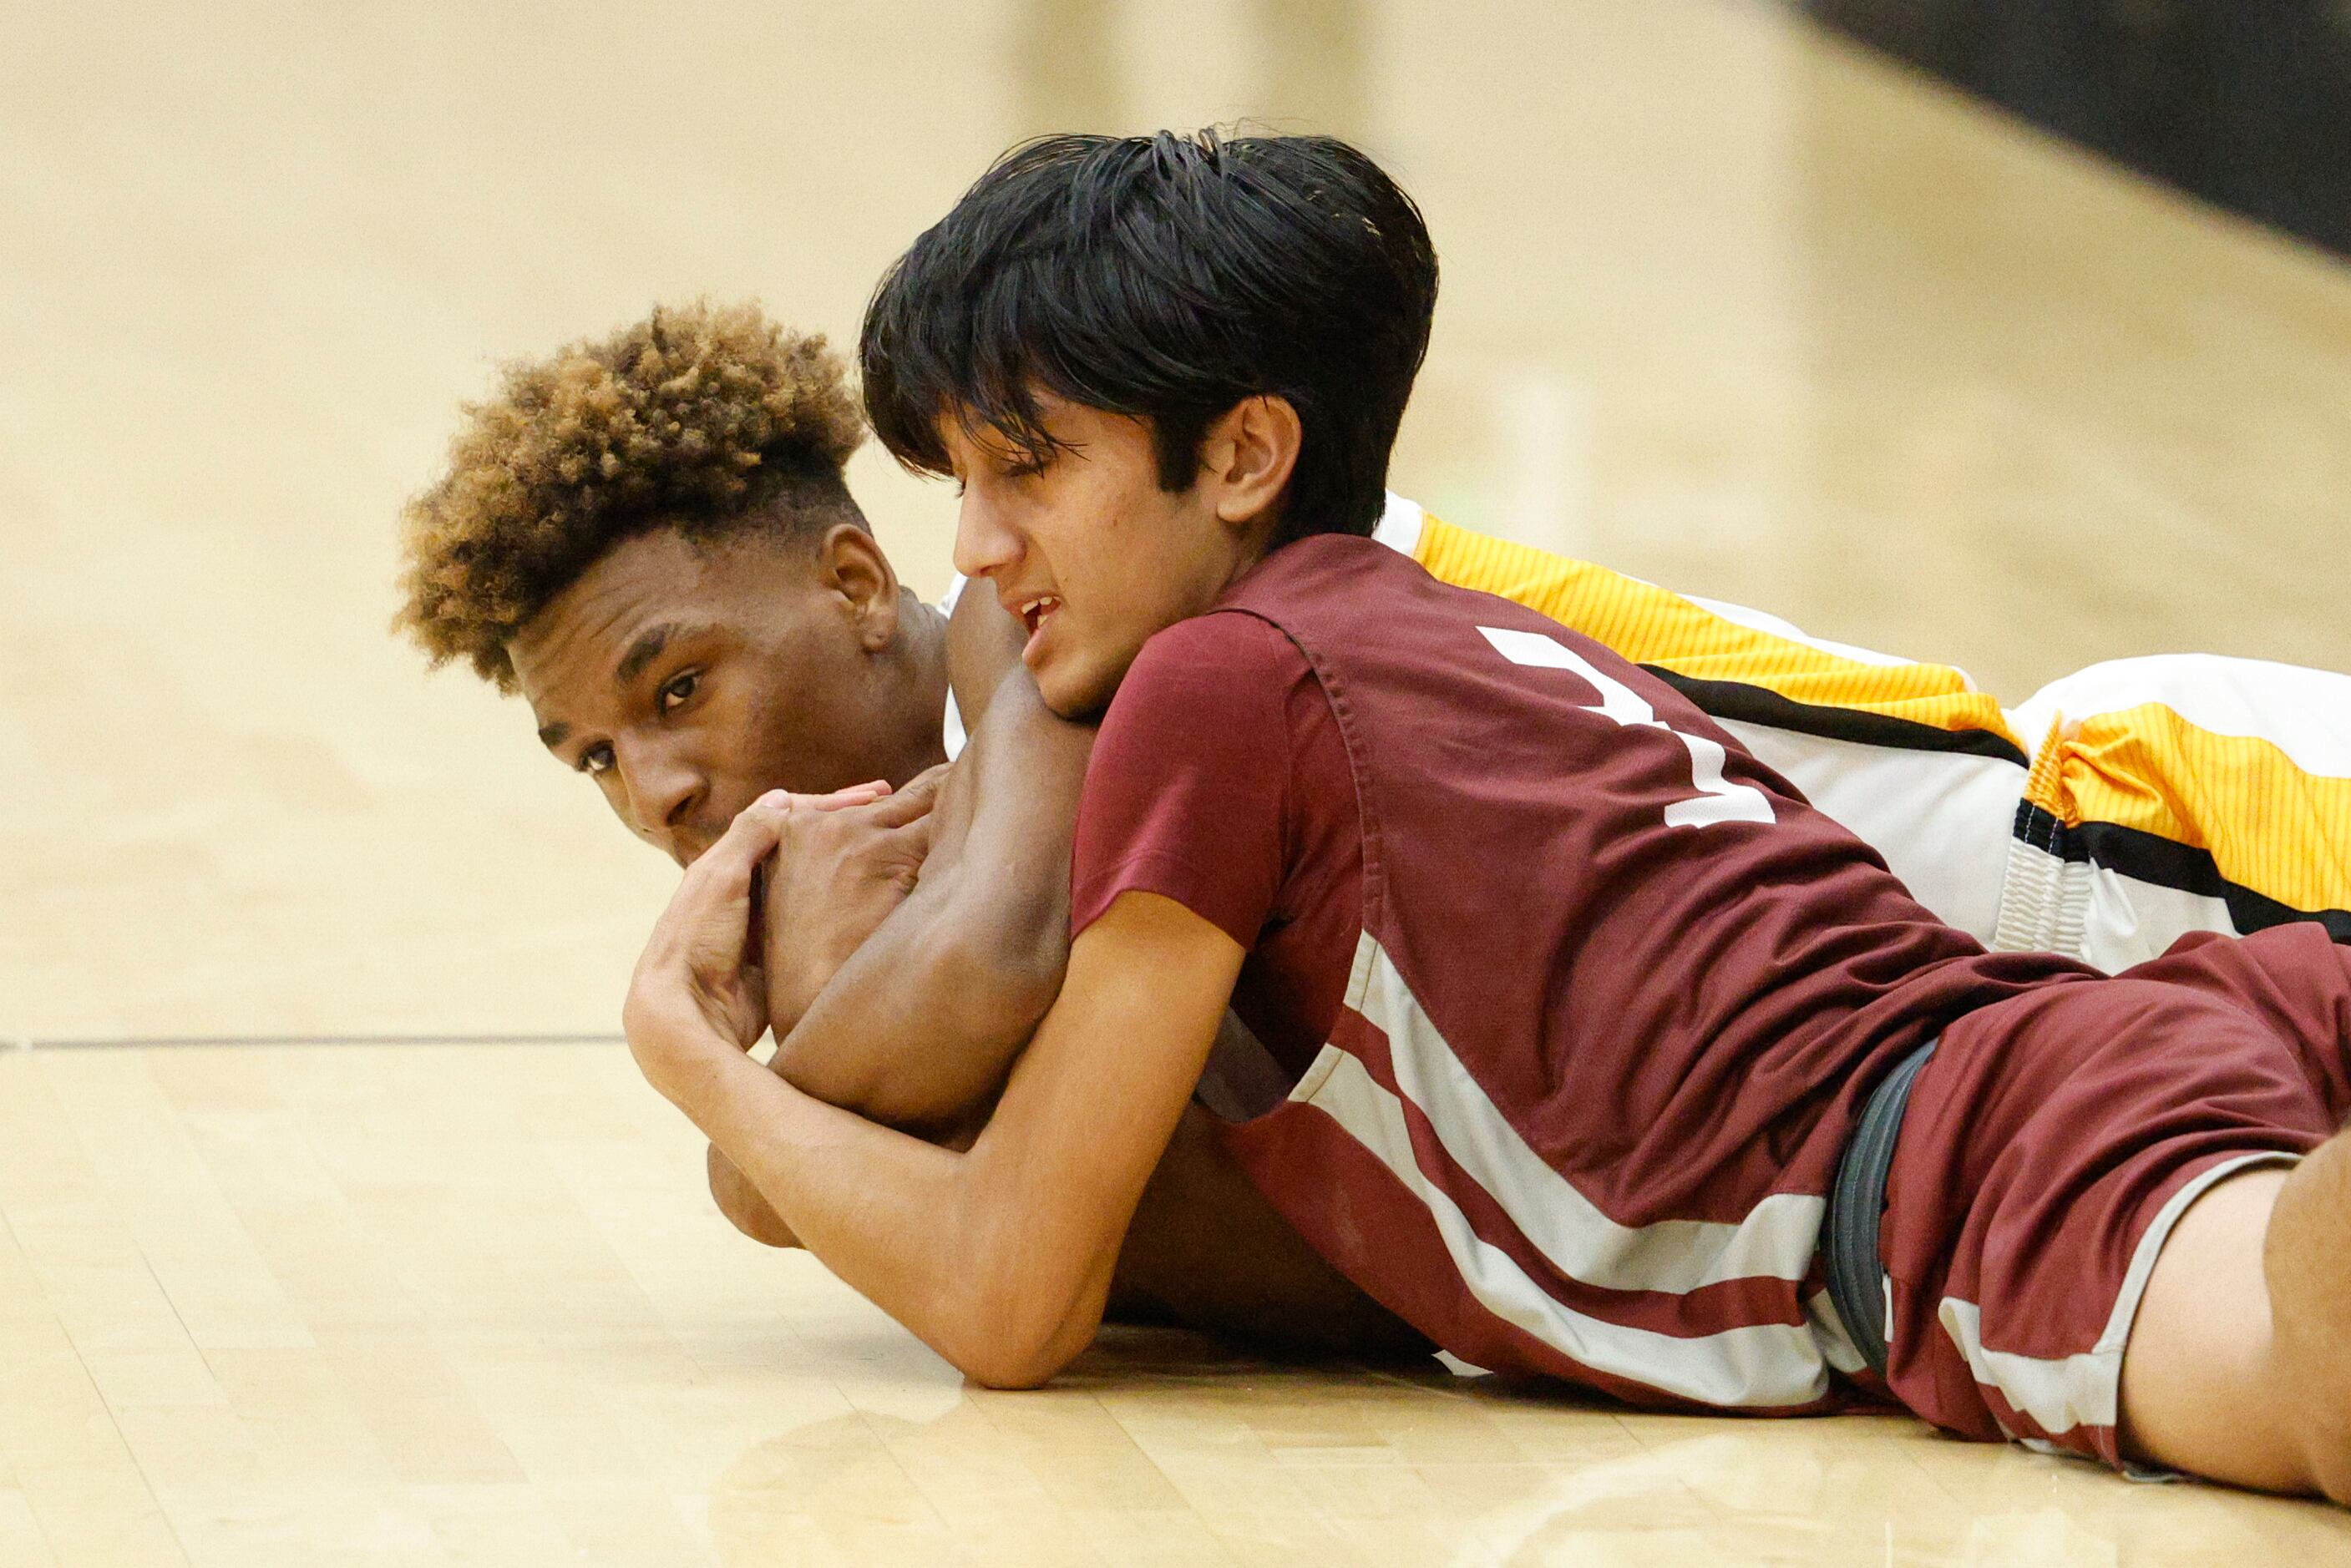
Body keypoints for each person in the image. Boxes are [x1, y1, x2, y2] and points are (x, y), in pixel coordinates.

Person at [613, 130, 2351, 1502]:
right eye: (958, 485)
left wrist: (691, 1054)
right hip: (2129, 1039)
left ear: (1238, 458)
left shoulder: (1218, 687)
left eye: (1025, 470)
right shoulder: (1421, 624)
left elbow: (1008, 1299)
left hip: (1982, 1165)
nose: (977, 551)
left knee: (2320, 1390)